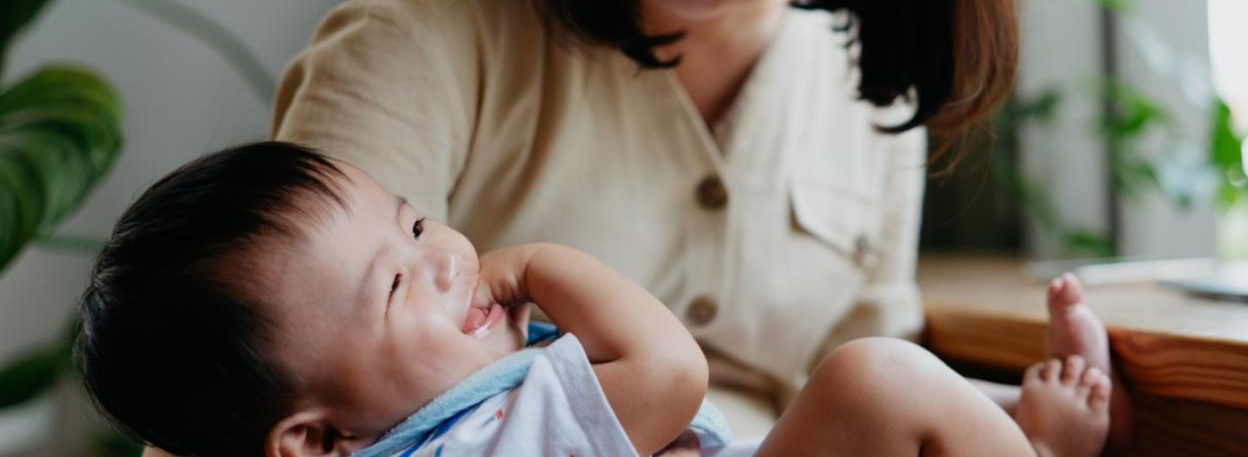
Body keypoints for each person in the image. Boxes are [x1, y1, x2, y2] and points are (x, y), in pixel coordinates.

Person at [264, 0, 1135, 449]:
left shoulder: (864, 79)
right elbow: (253, 394)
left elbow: (857, 389)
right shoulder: (430, 25)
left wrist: (1031, 410)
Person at [79, 142, 1113, 457]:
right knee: (873, 378)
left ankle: (1030, 433)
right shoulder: (483, 436)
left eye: (417, 222)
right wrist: (534, 262)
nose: (447, 258)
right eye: (397, 282)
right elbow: (672, 373)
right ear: (312, 440)